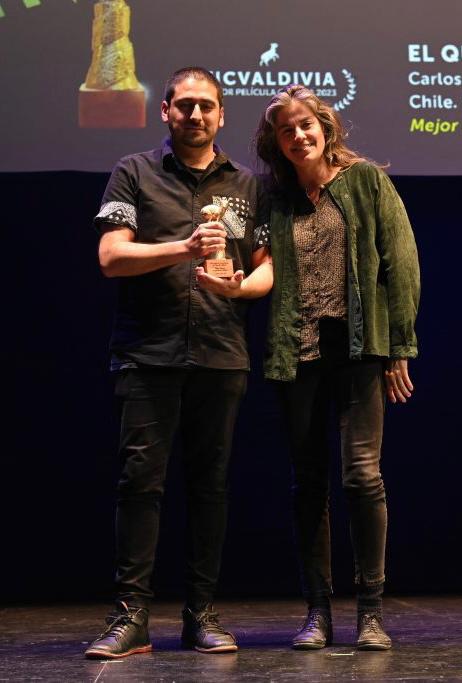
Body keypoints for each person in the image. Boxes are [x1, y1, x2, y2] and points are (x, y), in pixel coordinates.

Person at [197, 85, 420, 650]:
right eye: (286, 130)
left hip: (360, 351)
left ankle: (369, 610)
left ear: (325, 127)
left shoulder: (367, 182)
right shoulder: (273, 201)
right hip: (296, 356)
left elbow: (402, 264)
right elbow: (264, 271)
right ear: (276, 142)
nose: (298, 136)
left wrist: (399, 347)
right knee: (308, 485)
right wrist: (236, 287)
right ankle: (318, 612)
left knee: (363, 477)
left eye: (306, 125)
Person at [84, 67, 269, 659]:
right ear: (164, 111)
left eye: (206, 106)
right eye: (184, 105)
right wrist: (183, 249)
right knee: (141, 485)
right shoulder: (134, 172)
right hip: (148, 353)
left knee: (210, 488)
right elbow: (112, 257)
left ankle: (201, 614)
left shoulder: (248, 184)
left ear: (221, 115)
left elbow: (267, 267)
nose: (195, 115)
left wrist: (241, 288)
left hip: (221, 354)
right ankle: (131, 618)